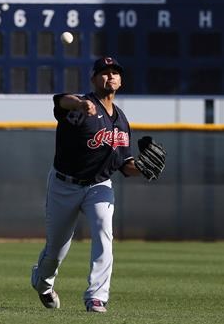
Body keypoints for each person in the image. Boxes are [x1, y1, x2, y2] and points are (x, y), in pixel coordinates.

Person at [30, 56, 165, 313]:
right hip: (64, 185)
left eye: (115, 72)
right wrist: (79, 104)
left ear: (121, 80)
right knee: (56, 249)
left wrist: (144, 169)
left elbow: (125, 164)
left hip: (99, 186)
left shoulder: (122, 121)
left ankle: (96, 297)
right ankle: (43, 282)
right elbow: (60, 101)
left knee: (104, 233)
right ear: (93, 79)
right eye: (104, 72)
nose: (110, 76)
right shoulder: (81, 107)